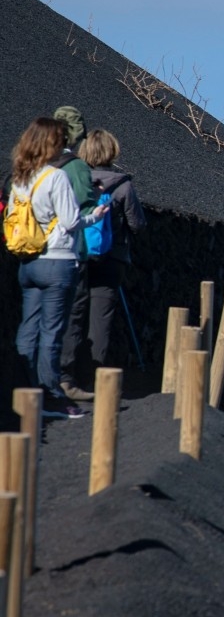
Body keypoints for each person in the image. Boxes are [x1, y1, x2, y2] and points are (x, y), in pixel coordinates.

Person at [6, 117, 105, 419]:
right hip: (58, 261)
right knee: (52, 332)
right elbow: (71, 221)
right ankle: (50, 396)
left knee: (28, 328)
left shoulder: (21, 177)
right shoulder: (56, 177)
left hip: (28, 261)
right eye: (61, 140)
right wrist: (96, 215)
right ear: (52, 143)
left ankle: (21, 391)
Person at [77, 129, 147, 374]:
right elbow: (138, 225)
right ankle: (91, 376)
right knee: (100, 320)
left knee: (73, 315)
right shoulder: (123, 186)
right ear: (112, 151)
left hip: (77, 255)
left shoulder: (75, 179)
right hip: (112, 259)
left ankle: (66, 375)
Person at [50, 105, 99, 401]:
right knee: (71, 315)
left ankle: (37, 378)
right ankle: (64, 378)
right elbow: (84, 204)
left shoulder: (36, 162)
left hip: (33, 250)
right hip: (68, 252)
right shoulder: (76, 167)